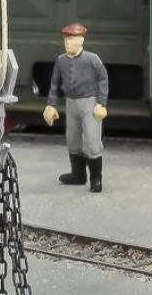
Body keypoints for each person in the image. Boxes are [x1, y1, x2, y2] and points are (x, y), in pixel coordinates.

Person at [43, 22, 109, 192]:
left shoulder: (92, 59)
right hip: (70, 103)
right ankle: (78, 174)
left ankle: (96, 178)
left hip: (89, 103)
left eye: (72, 39)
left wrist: (101, 103)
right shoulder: (61, 60)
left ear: (81, 40)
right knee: (72, 138)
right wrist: (51, 104)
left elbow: (103, 79)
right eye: (66, 39)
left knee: (92, 140)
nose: (68, 43)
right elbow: (55, 82)